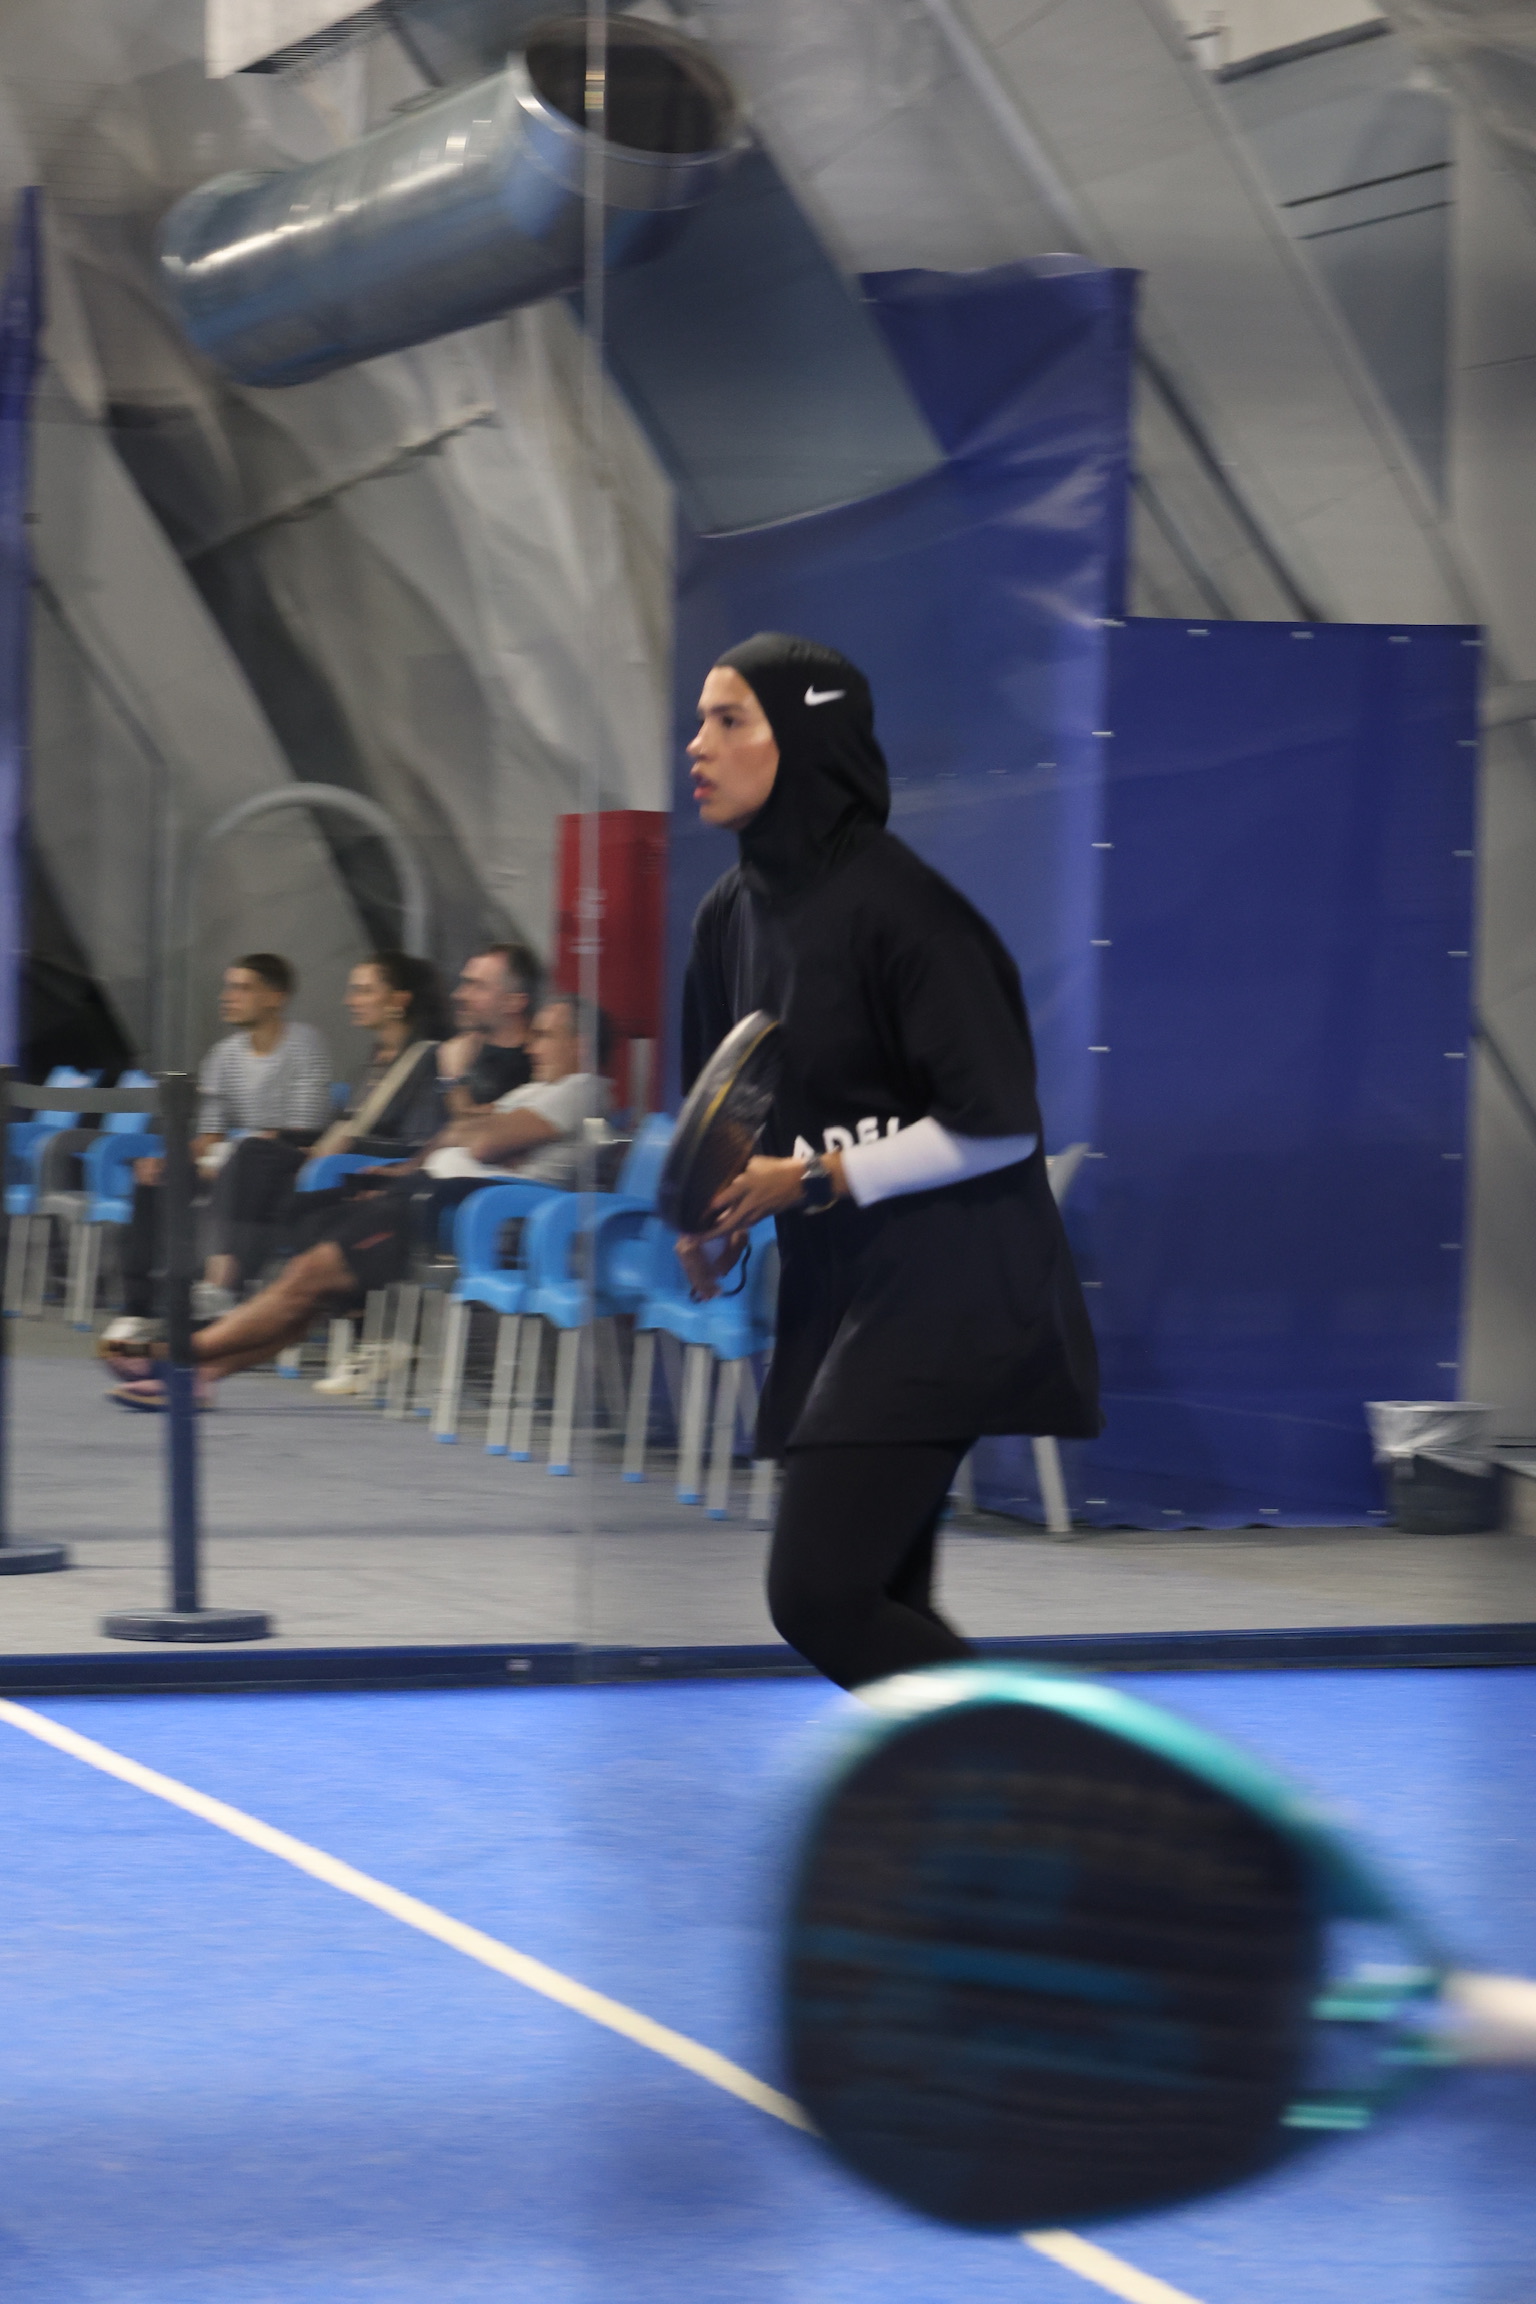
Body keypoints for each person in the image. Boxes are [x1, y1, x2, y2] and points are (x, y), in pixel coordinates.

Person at [677, 632, 1100, 1693]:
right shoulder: (726, 918)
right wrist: (709, 1212)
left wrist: (810, 1180)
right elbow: (721, 1110)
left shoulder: (908, 913)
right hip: (842, 1288)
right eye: (700, 720)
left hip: (955, 1286)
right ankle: (971, 1795)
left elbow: (997, 1125)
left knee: (820, 1597)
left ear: (803, 740)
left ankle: (1058, 1774)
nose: (698, 745)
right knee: (886, 1604)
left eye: (729, 720)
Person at [102, 993, 609, 1405]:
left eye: (546, 1035)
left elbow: (479, 1142)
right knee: (308, 1266)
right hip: (422, 1191)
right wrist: (415, 1163)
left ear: (581, 1044)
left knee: (310, 1276)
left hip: (462, 1212)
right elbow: (453, 1133)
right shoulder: (529, 1093)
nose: (533, 1046)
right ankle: (201, 1375)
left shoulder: (582, 1088)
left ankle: (174, 1354)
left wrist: (471, 1118)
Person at [114, 954, 330, 1323]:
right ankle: (141, 1308)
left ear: (275, 997)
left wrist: (231, 1152)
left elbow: (303, 1128)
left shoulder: (305, 1045)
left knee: (251, 1152)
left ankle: (220, 1286)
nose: (228, 996)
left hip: (287, 1164)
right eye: (228, 987)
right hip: (237, 1158)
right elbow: (210, 1135)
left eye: (242, 988)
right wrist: (173, 1159)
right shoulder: (223, 1054)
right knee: (158, 1173)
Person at [438, 942, 541, 1111]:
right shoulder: (457, 1049)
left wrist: (453, 1078)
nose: (459, 995)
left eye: (478, 987)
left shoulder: (536, 1066)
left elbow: (477, 1126)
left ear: (513, 1002)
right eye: (465, 983)